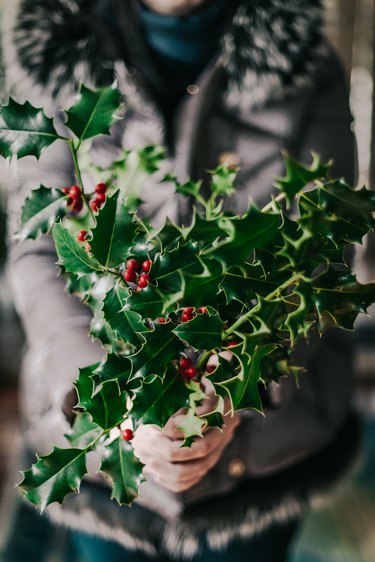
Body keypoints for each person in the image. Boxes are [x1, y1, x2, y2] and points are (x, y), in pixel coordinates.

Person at [1, 0, 359, 561]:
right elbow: (39, 250)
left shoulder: (306, 64)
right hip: (102, 456)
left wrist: (235, 389)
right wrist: (107, 402)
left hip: (260, 457)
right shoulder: (53, 57)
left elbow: (321, 260)